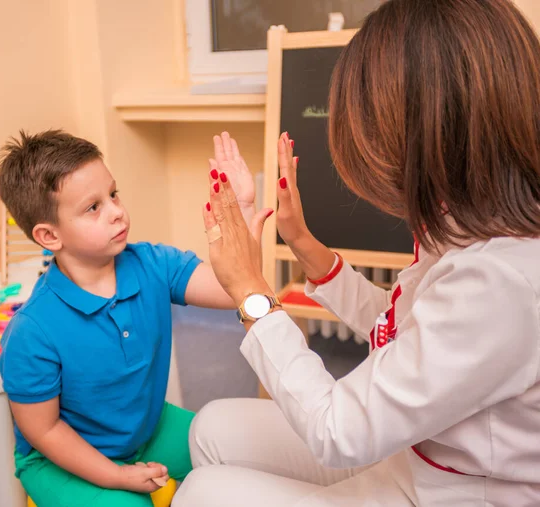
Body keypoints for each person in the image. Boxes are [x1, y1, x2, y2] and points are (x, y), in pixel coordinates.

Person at [174, 0, 540, 505]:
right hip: (413, 454)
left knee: (202, 493)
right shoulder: (473, 220)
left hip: (447, 491)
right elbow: (406, 331)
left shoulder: (499, 280)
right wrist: (300, 240)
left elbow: (337, 430)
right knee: (211, 426)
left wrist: (252, 293)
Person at [0, 129, 269, 507]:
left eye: (113, 194)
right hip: (57, 460)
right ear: (49, 235)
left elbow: (235, 289)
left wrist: (241, 211)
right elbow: (45, 432)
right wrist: (117, 476)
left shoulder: (154, 264)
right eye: (93, 208)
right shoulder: (32, 332)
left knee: (248, 455)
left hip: (145, 429)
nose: (116, 211)